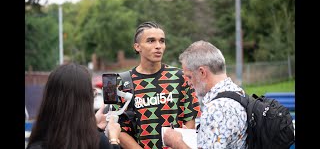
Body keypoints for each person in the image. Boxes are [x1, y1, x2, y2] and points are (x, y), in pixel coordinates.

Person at [115, 21, 201, 149]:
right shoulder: (122, 82)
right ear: (137, 47)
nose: (158, 46)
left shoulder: (180, 77)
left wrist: (178, 145)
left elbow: (190, 120)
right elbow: (118, 129)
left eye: (162, 41)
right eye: (151, 41)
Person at [163, 40, 248, 149]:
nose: (188, 83)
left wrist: (176, 142)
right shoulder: (237, 92)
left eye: (189, 77)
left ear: (202, 72)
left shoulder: (217, 109)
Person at [27, 63, 121, 149]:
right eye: (92, 93)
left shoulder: (36, 145)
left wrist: (93, 126)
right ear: (85, 101)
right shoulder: (99, 143)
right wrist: (113, 140)